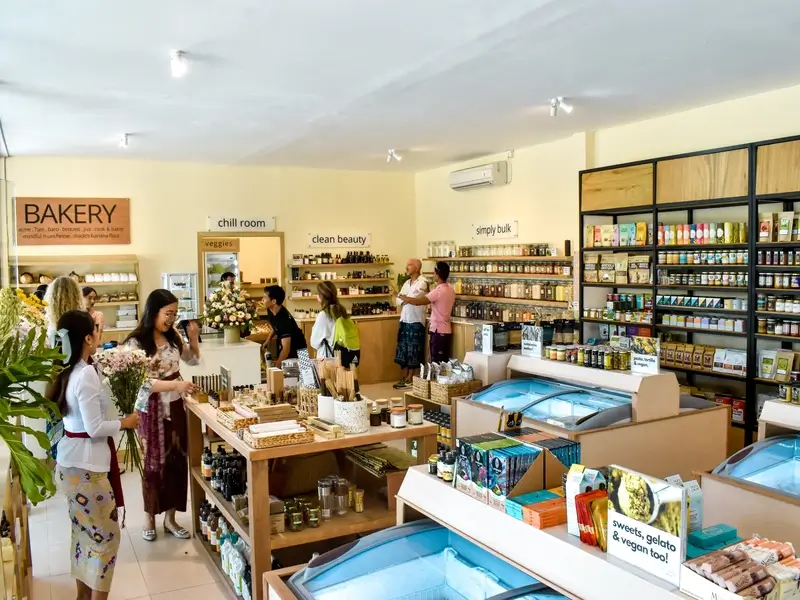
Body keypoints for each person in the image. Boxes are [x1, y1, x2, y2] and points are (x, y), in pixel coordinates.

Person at [48, 310, 139, 600]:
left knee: (83, 535)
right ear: (88, 338)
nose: (99, 335)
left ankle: (82, 596)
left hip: (69, 464)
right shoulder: (85, 373)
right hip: (87, 470)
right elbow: (94, 426)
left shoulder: (67, 369)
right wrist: (125, 423)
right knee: (107, 538)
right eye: (96, 330)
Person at [124, 290, 200, 542]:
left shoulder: (173, 336)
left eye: (175, 314)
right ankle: (149, 518)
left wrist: (193, 338)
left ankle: (171, 518)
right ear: (153, 312)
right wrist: (176, 386)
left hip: (177, 406)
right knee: (154, 466)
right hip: (151, 410)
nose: (171, 319)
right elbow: (141, 384)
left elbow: (192, 361)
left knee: (178, 461)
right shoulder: (136, 343)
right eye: (168, 314)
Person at [399, 261, 455, 363]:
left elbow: (417, 302)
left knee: (436, 361)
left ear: (438, 275)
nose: (434, 275)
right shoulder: (451, 290)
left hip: (438, 330)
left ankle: (436, 379)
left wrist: (402, 296)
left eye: (434, 273)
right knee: (443, 360)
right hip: (447, 329)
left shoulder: (437, 291)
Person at [393, 259, 429, 389]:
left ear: (417, 267)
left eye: (409, 265)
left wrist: (402, 297)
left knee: (414, 350)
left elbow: (415, 299)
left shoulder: (423, 282)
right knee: (403, 350)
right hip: (405, 320)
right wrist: (404, 298)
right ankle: (405, 376)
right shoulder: (406, 282)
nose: (406, 267)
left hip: (416, 321)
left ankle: (411, 378)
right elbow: (399, 301)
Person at [262, 285, 306, 367]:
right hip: (287, 344)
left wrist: (277, 367)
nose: (262, 299)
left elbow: (286, 349)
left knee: (303, 373)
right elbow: (275, 327)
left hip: (299, 347)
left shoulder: (284, 320)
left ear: (273, 301)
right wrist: (268, 340)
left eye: (265, 297)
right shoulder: (271, 309)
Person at [310, 281, 343, 358]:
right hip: (340, 356)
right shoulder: (340, 311)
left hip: (328, 359)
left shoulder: (324, 315)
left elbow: (314, 342)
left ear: (322, 296)